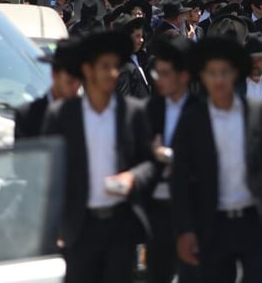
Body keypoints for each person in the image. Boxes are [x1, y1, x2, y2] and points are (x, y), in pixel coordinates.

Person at [170, 36, 262, 283]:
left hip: (254, 222)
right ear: (202, 77)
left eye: (224, 73)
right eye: (212, 73)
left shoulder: (257, 113)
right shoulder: (193, 119)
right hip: (212, 223)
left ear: (236, 74)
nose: (218, 80)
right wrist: (184, 229)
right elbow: (181, 178)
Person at [43, 30, 157, 283]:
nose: (112, 74)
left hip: (120, 224)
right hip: (79, 228)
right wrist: (55, 226)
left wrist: (131, 177)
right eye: (105, 67)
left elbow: (149, 163)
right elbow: (49, 172)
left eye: (115, 67)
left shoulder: (133, 112)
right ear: (88, 70)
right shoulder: (61, 116)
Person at [143, 34, 196, 283]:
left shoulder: (203, 111)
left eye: (165, 73)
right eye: (157, 73)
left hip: (194, 210)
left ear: (183, 74)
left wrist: (169, 156)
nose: (159, 80)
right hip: (158, 209)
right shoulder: (149, 109)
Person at [15, 38, 82, 139]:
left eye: (79, 81)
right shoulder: (28, 116)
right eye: (70, 81)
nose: (75, 87)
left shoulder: (84, 116)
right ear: (54, 75)